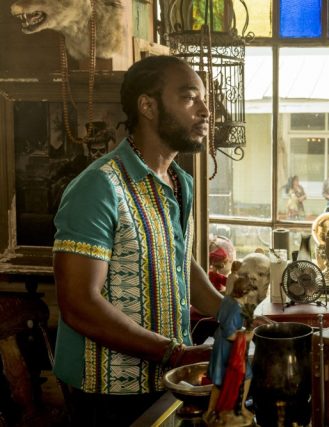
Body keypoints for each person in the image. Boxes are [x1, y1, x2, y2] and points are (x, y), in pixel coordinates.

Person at [52, 55, 223, 426]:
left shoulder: (180, 183)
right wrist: (175, 354)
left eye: (204, 99)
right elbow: (78, 303)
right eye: (189, 97)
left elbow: (178, 261)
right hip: (106, 395)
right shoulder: (99, 186)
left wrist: (228, 311)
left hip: (165, 382)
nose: (206, 111)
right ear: (148, 106)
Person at [205, 277, 255, 426]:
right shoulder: (236, 309)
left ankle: (210, 410)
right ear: (245, 292)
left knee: (219, 381)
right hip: (227, 348)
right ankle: (241, 407)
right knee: (247, 375)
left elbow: (224, 322)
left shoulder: (228, 299)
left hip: (219, 344)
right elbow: (230, 335)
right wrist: (248, 335)